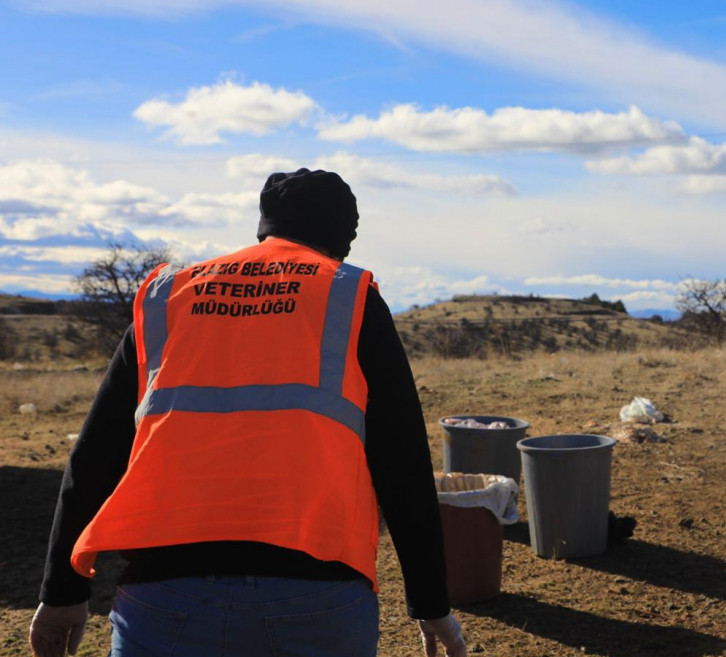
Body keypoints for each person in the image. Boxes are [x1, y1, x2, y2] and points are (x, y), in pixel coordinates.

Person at [29, 168, 468, 657]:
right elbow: (402, 462)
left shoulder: (166, 295)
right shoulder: (349, 296)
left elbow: (95, 455)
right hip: (316, 595)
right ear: (346, 235)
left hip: (164, 594)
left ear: (265, 225)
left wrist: (61, 592)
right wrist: (431, 602)